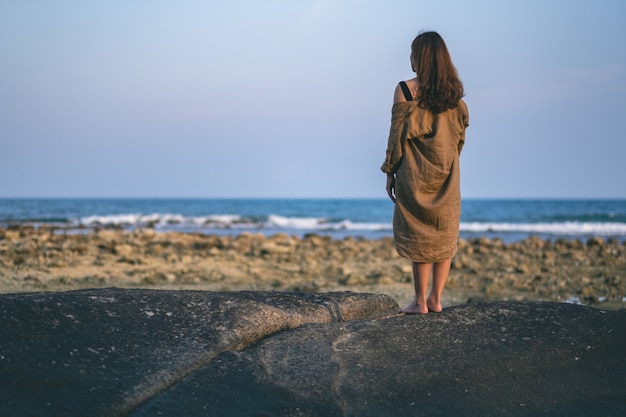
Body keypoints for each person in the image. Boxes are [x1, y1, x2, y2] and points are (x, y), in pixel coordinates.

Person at [381, 31, 469, 314]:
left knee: (419, 232)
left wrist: (390, 171)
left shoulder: (405, 90)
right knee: (444, 233)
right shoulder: (455, 97)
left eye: (412, 53)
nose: (409, 58)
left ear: (421, 57)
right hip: (447, 172)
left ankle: (420, 302)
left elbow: (396, 137)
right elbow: (459, 138)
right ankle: (436, 299)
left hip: (414, 172)